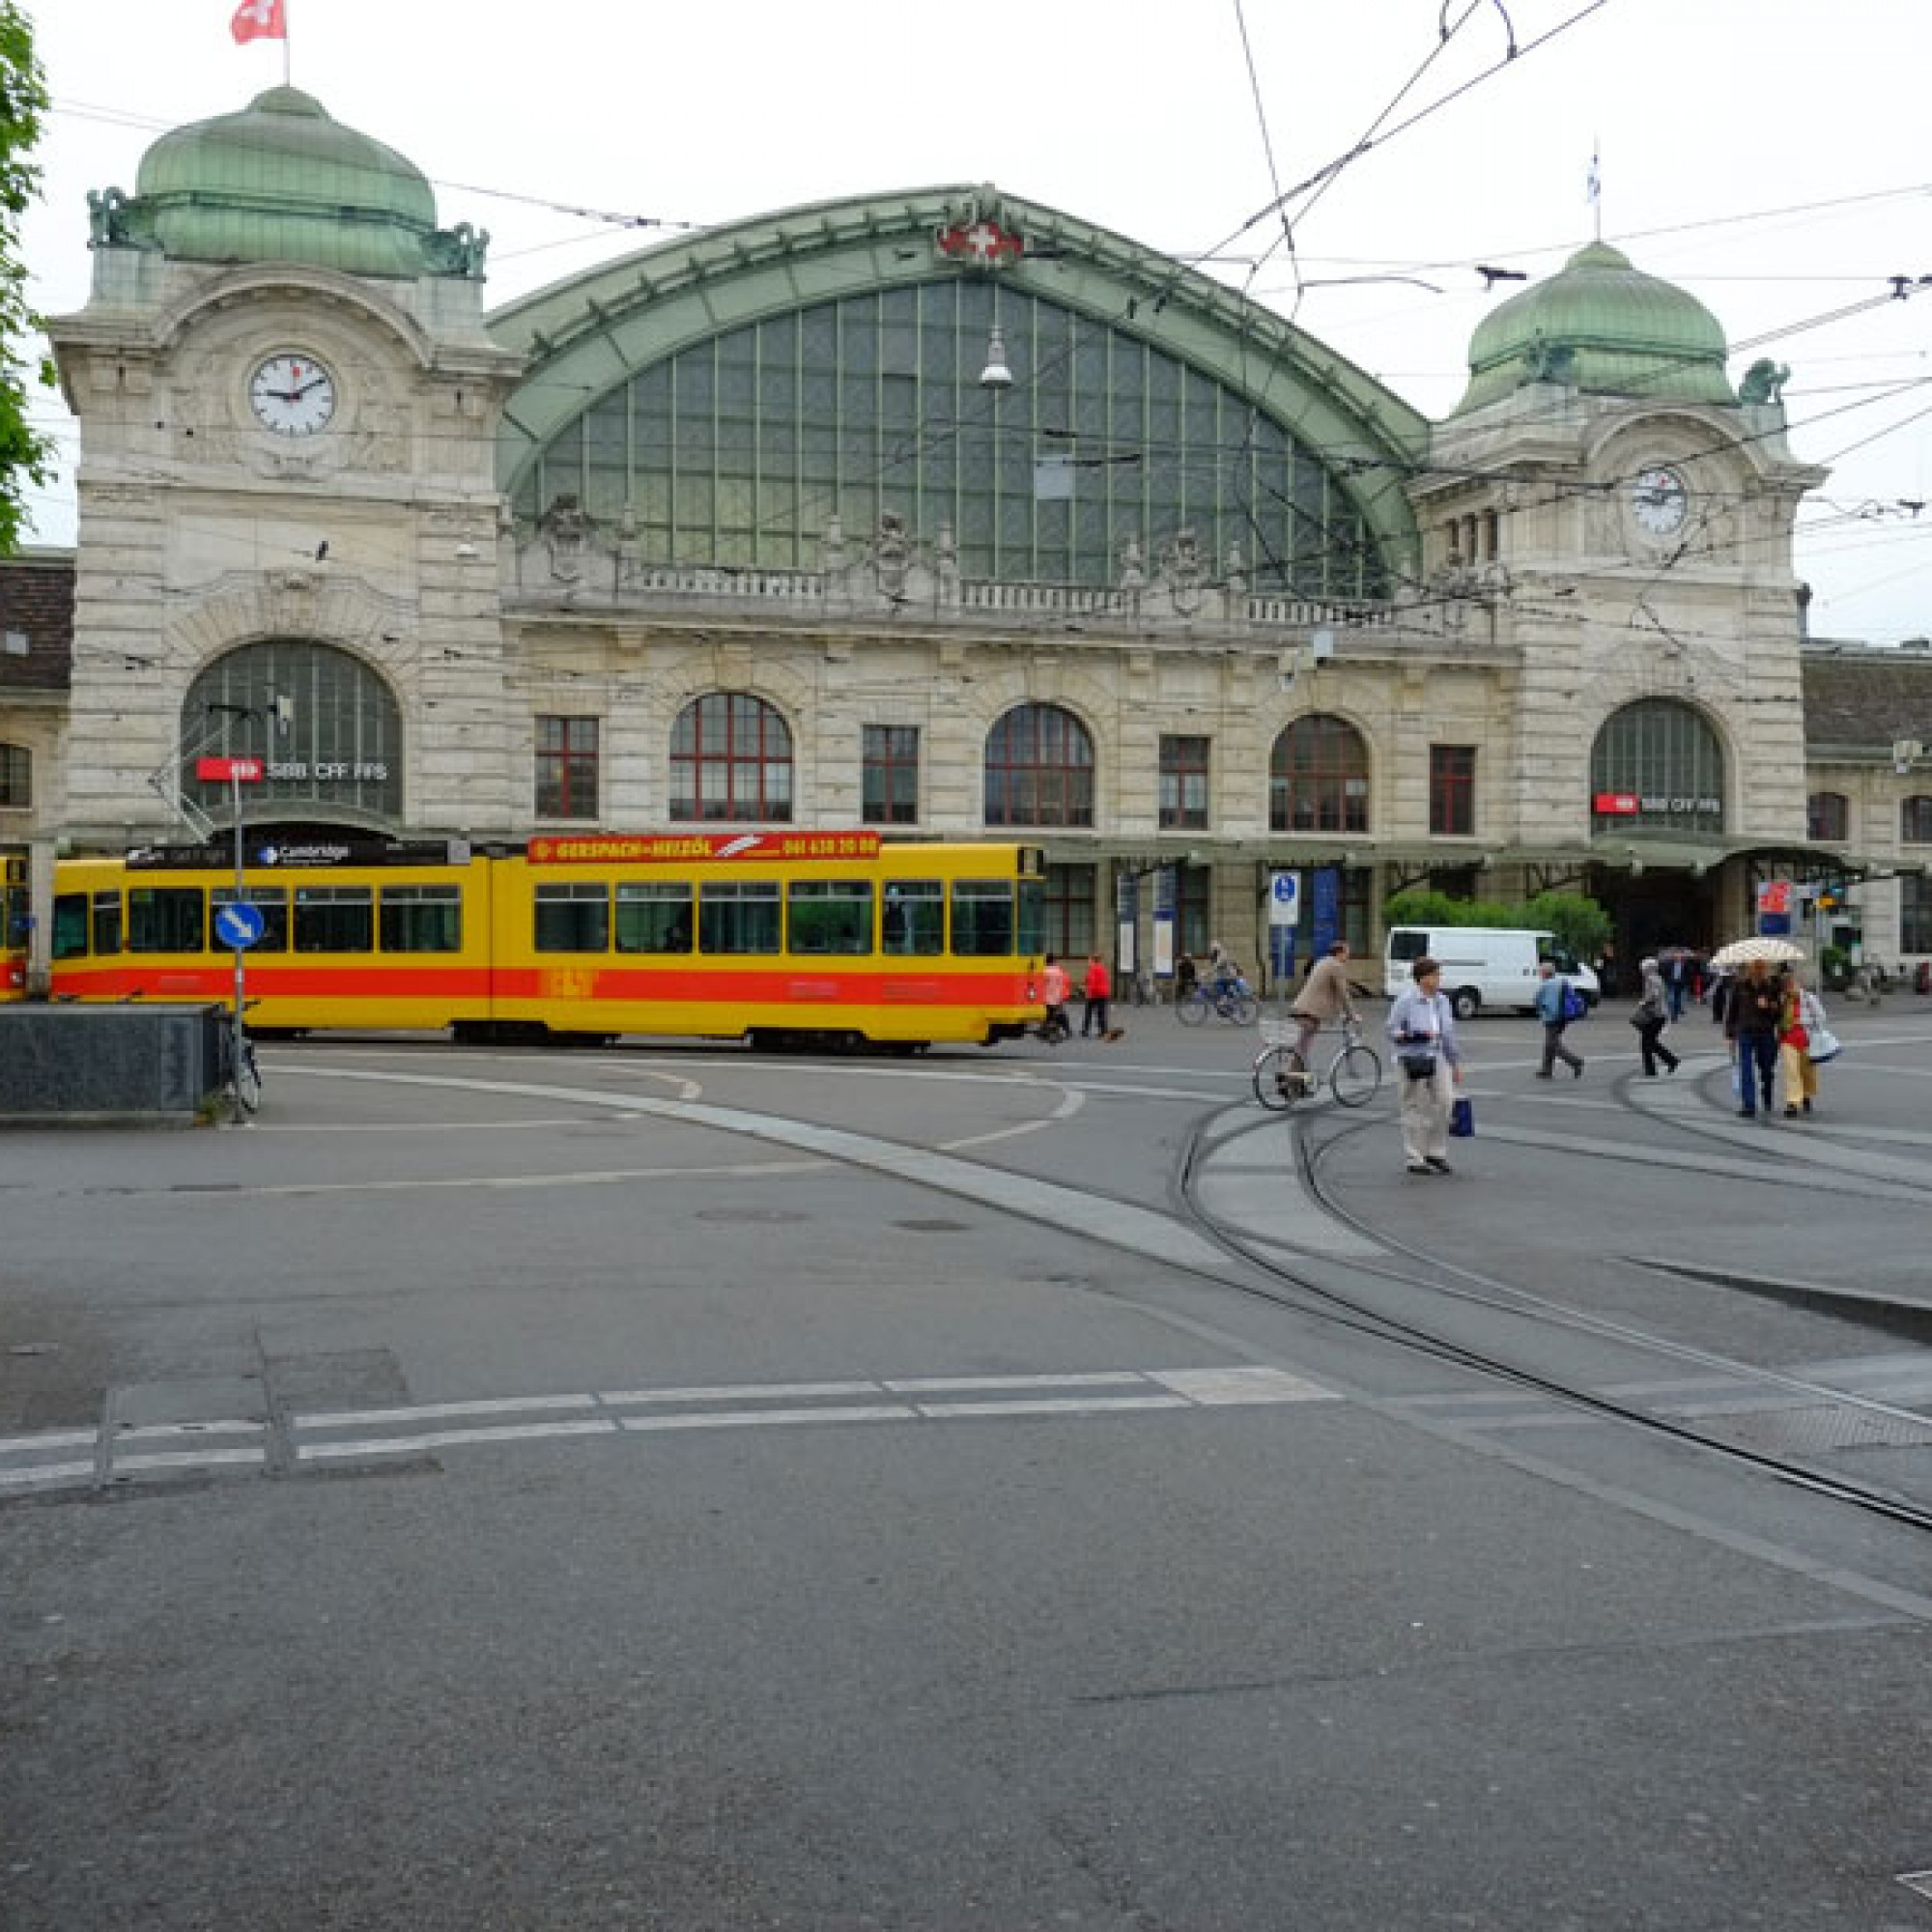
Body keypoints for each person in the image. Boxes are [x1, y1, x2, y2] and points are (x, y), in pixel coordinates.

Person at [1387, 954, 1462, 1175]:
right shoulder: (1406, 1000)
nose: (1438, 978)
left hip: (1438, 1056)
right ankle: (1415, 1157)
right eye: (1434, 974)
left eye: (1438, 974)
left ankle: (1435, 1152)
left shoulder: (1443, 1001)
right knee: (1414, 1106)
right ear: (1422, 978)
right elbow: (1392, 1030)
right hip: (1412, 1059)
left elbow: (1448, 1032)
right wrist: (1415, 1035)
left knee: (1446, 1101)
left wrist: (1454, 1061)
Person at [1724, 956, 1784, 1119]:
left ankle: (1767, 1090)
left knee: (1766, 1067)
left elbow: (1779, 1014)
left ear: (1765, 969)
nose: (1758, 971)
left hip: (1765, 1032)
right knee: (1746, 1068)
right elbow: (1732, 1011)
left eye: (1761, 968)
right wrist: (1730, 1034)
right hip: (1745, 1031)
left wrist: (1769, 1007)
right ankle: (1749, 1104)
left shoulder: (1772, 986)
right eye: (1755, 968)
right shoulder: (1740, 986)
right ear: (1749, 969)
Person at [1292, 940, 1361, 1065]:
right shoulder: (1336, 966)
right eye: (1347, 953)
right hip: (1310, 1011)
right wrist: (1353, 1015)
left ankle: (1295, 1080)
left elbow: (1329, 989)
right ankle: (1293, 1078)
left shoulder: (1323, 961)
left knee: (1302, 1047)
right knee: (1302, 1048)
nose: (1348, 956)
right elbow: (1343, 994)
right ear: (1339, 953)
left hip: (1302, 1006)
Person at [1778, 967, 1826, 1119]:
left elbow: (1821, 1017)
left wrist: (1803, 1021)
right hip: (1788, 1039)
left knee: (1807, 1071)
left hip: (1806, 1038)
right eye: (1786, 984)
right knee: (1792, 1070)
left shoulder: (1808, 998)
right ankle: (1792, 1102)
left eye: (1790, 983)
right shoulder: (1782, 1000)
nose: (1789, 987)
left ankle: (1806, 1094)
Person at [1533, 958, 1584, 1079]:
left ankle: (1575, 1062)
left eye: (1540, 971)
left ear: (1545, 973)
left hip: (1552, 1018)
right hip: (1564, 1016)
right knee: (1550, 1043)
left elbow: (1537, 1001)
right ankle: (1546, 1070)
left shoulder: (1545, 985)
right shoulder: (1562, 981)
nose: (1540, 974)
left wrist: (1541, 1009)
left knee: (1553, 1045)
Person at [1632, 955, 1680, 1076]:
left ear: (1648, 968)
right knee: (1650, 1042)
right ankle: (1670, 1061)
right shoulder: (1658, 978)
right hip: (1660, 1014)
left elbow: (1654, 995)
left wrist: (1643, 1002)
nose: (1641, 970)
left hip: (1654, 1014)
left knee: (1646, 1042)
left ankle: (1652, 1070)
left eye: (1643, 968)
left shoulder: (1650, 979)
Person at [1080, 953, 1112, 1038]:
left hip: (1094, 994)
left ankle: (1085, 1030)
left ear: (1093, 960)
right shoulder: (1103, 968)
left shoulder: (1093, 969)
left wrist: (1087, 991)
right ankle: (1103, 1031)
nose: (1088, 962)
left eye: (1089, 960)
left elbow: (1092, 982)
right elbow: (1106, 980)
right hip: (1104, 993)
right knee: (1101, 1013)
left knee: (1088, 1012)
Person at [1040, 952, 1071, 1040]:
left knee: (1048, 1014)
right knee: (1059, 1014)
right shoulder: (1059, 971)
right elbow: (1063, 983)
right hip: (1057, 996)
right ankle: (1067, 1029)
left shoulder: (1044, 971)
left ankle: (1046, 1031)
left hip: (1047, 996)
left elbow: (1042, 984)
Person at [1662, 951, 1691, 1023]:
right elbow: (1664, 972)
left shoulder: (1685, 964)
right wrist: (1666, 980)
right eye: (1676, 955)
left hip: (1681, 984)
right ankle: (1672, 1015)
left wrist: (1686, 981)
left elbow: (1689, 973)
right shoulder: (1668, 963)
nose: (1677, 957)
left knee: (1678, 1001)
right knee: (1670, 999)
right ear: (1673, 956)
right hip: (1671, 983)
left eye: (1679, 955)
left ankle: (1675, 1016)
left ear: (1681, 956)